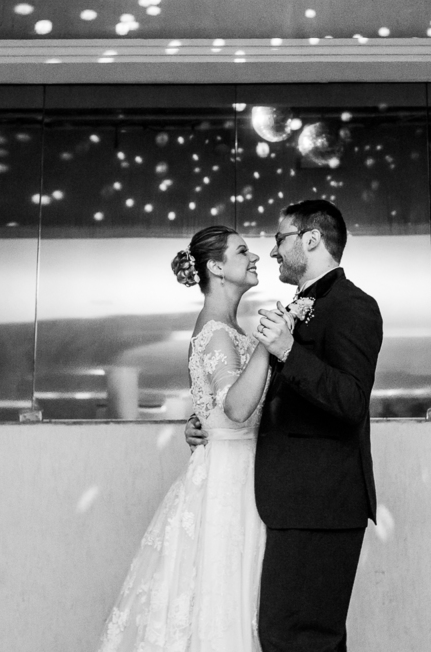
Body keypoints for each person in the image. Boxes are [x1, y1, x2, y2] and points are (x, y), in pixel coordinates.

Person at [186, 199, 384, 652]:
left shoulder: (352, 306)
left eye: (280, 239)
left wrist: (289, 352)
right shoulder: (298, 305)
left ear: (311, 239)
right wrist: (207, 424)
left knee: (299, 639)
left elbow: (352, 401)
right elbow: (248, 400)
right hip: (285, 504)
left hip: (320, 503)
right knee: (285, 637)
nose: (272, 251)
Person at [97, 225, 288, 652]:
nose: (255, 257)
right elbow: (236, 408)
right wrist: (268, 344)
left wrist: (201, 422)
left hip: (238, 468)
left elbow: (219, 409)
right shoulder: (218, 331)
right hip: (229, 479)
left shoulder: (227, 328)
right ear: (216, 267)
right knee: (226, 594)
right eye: (243, 251)